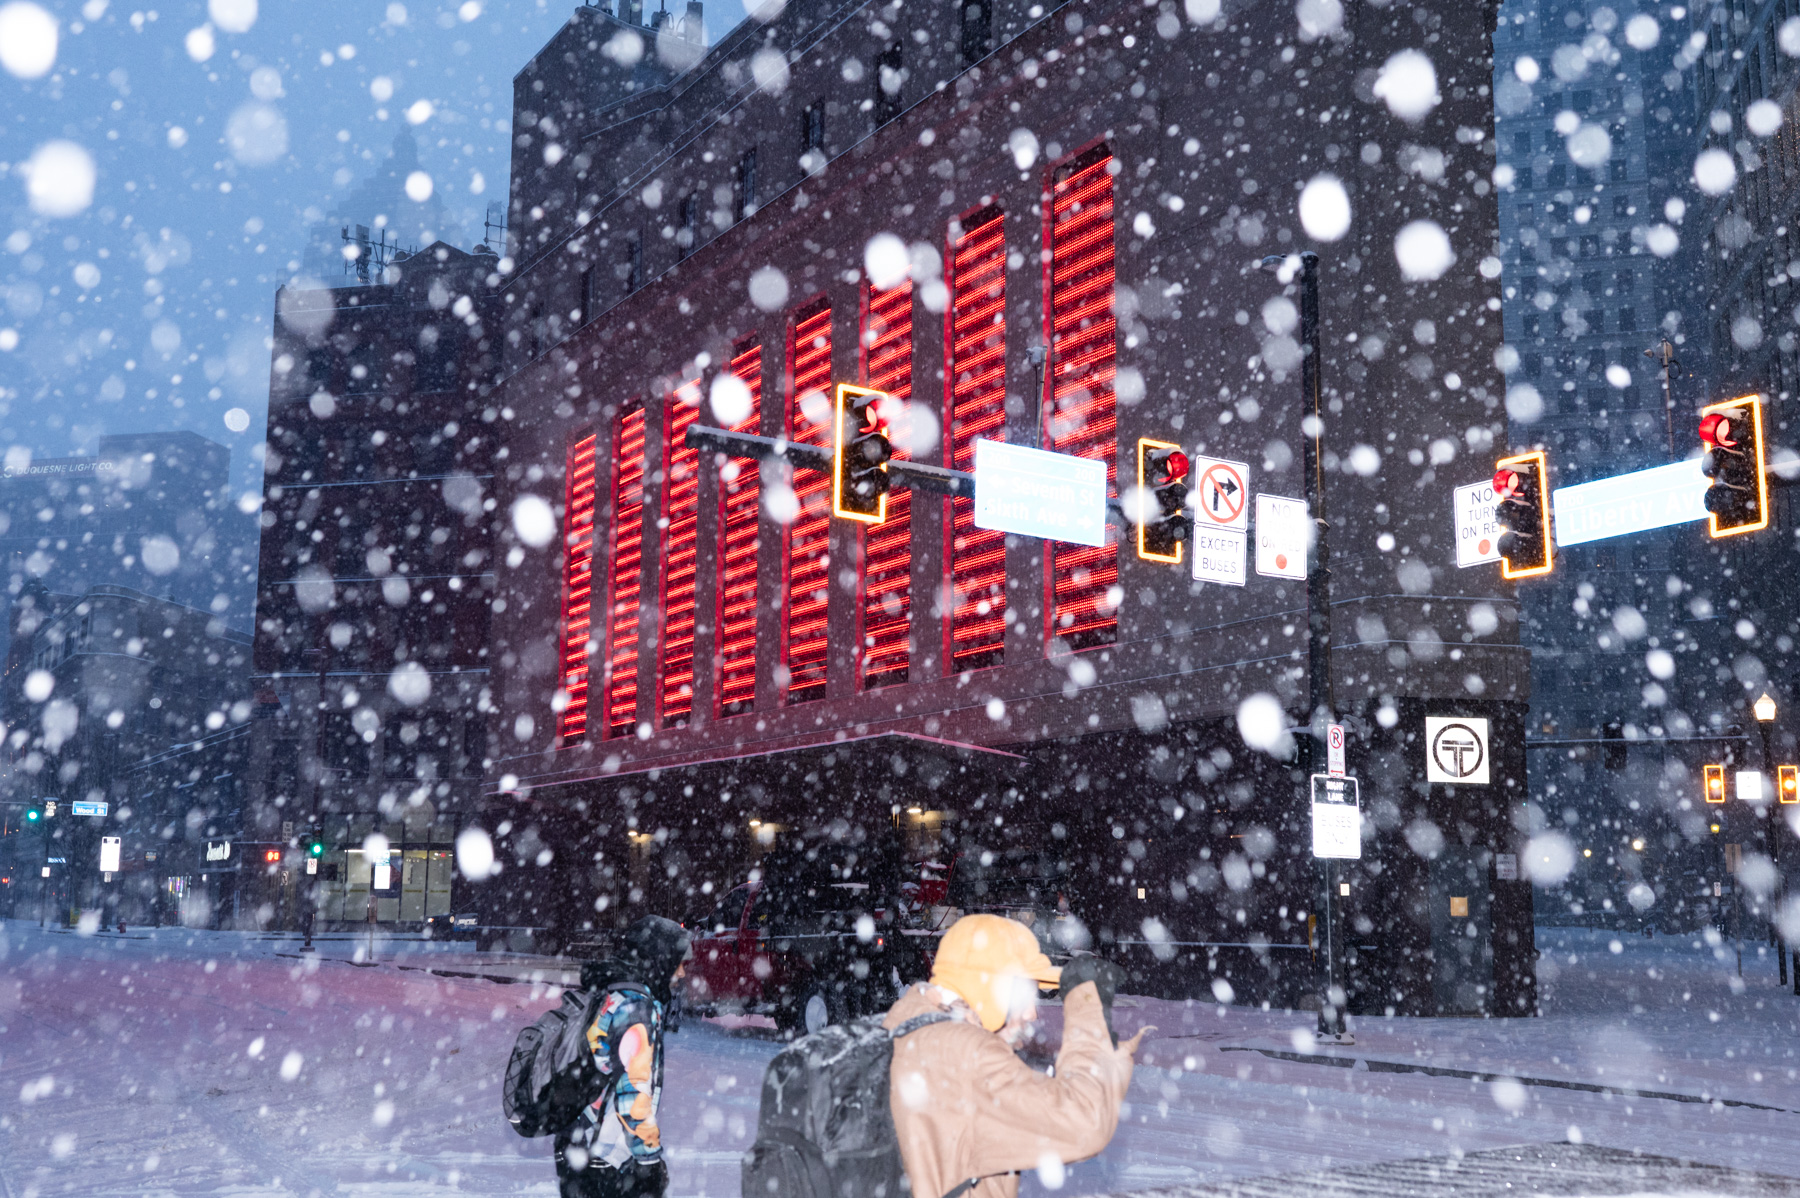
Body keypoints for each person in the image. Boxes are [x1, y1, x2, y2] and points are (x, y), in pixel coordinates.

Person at [883, 913, 1147, 1198]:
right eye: (1024, 996)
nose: (1032, 1013)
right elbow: (1084, 1123)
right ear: (988, 989)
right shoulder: (967, 1055)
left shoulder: (903, 1028)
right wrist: (1085, 1001)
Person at [554, 914, 692, 1198]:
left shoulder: (612, 993)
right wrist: (648, 1160)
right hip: (604, 1158)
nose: (682, 973)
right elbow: (633, 1091)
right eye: (678, 963)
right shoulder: (635, 1010)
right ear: (660, 960)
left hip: (578, 1144)